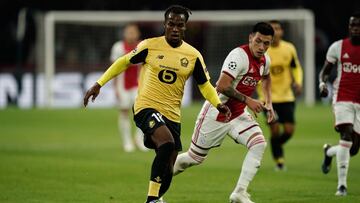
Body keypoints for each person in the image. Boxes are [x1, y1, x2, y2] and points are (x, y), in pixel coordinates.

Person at [83, 5, 231, 203]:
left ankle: (157, 197)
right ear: (165, 24)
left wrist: (217, 104)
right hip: (146, 107)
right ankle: (151, 199)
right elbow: (123, 62)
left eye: (180, 25)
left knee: (169, 166)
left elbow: (204, 85)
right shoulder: (149, 46)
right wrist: (98, 84)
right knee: (167, 143)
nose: (175, 28)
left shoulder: (193, 55)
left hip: (173, 115)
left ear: (185, 27)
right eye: (171, 24)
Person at [173, 22, 275, 203]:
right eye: (258, 41)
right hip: (217, 112)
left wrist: (269, 101)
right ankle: (158, 179)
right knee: (193, 159)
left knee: (258, 143)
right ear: (251, 38)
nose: (261, 47)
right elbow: (221, 85)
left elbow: (266, 77)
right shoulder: (238, 56)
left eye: (266, 43)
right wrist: (248, 100)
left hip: (238, 114)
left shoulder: (265, 60)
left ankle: (239, 193)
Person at [319, 12, 360, 196]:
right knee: (346, 134)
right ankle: (341, 186)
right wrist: (322, 83)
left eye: (358, 26)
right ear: (349, 27)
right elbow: (325, 71)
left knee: (353, 148)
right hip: (342, 97)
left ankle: (329, 152)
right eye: (352, 25)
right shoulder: (338, 46)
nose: (355, 29)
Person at [256, 20, 303, 170]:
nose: (275, 31)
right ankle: (279, 161)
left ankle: (275, 145)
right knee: (275, 129)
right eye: (273, 29)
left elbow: (296, 67)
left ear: (282, 31)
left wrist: (298, 82)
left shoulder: (289, 48)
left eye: (278, 28)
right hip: (268, 99)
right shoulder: (262, 50)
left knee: (289, 131)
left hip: (286, 96)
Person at [111, 23, 148, 152]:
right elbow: (114, 67)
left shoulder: (143, 45)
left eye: (133, 32)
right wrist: (115, 87)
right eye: (129, 32)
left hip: (139, 85)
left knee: (142, 112)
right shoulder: (118, 47)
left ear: (138, 34)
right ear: (124, 34)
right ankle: (127, 142)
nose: (131, 34)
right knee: (124, 111)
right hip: (123, 86)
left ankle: (139, 139)